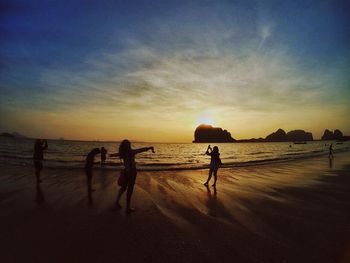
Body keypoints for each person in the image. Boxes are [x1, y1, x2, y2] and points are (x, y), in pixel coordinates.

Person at [110, 140, 155, 213]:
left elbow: (117, 154)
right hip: (132, 172)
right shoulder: (131, 152)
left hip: (126, 172)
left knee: (123, 188)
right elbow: (140, 150)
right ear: (128, 145)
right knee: (130, 189)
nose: (130, 145)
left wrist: (112, 155)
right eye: (129, 144)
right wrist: (149, 148)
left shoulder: (122, 153)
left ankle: (117, 201)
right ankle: (127, 208)